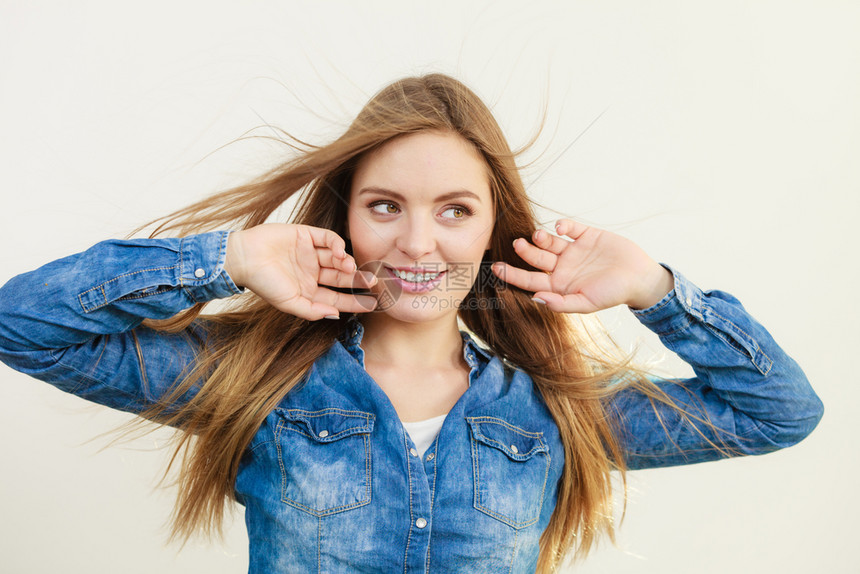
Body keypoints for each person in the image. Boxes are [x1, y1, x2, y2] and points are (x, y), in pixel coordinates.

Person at [0, 74, 823, 573]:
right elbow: (20, 323)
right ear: (346, 218)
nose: (418, 242)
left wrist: (656, 289)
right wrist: (226, 260)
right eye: (385, 206)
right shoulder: (258, 385)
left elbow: (778, 412)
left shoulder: (551, 414)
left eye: (455, 210)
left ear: (491, 226)